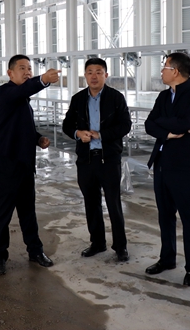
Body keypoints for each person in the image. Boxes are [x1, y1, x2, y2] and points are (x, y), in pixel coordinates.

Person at [0, 54, 61, 276]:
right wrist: (43, 79)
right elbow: (24, 90)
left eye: (30, 68)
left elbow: (21, 128)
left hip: (24, 165)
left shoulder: (23, 100)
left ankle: (35, 251)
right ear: (10, 73)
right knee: (3, 213)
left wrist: (38, 138)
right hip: (5, 165)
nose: (27, 71)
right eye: (22, 68)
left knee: (28, 212)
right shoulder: (5, 92)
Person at [144, 52, 190, 287]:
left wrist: (163, 123)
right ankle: (167, 258)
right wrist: (169, 132)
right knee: (165, 215)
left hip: (185, 166)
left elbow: (186, 123)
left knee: (189, 217)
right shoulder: (163, 96)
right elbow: (149, 124)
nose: (161, 71)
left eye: (165, 67)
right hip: (162, 163)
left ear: (176, 71)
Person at [62, 58, 132, 262]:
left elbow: (125, 125)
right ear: (85, 75)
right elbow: (67, 125)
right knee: (91, 203)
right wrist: (77, 133)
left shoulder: (115, 98)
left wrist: (101, 135)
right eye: (90, 72)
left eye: (99, 72)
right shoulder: (78, 99)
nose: (94, 76)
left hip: (108, 160)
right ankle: (97, 243)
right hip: (86, 160)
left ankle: (120, 246)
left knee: (113, 204)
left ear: (106, 75)